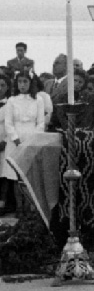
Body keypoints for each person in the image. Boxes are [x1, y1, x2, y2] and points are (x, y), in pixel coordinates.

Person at [4, 70, 45, 217]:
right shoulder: (12, 100)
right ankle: (19, 208)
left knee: (29, 175)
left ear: (30, 83)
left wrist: (31, 141)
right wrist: (16, 140)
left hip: (31, 139)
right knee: (16, 176)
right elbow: (8, 124)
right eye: (20, 82)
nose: (22, 85)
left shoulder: (38, 100)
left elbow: (41, 123)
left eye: (25, 81)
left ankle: (30, 207)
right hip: (15, 141)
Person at [0, 75, 13, 215]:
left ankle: (3, 204)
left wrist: (6, 141)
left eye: (2, 85)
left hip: (4, 141)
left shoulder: (10, 103)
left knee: (4, 175)